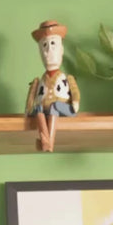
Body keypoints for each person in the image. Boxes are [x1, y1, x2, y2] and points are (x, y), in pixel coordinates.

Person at [24, 20, 80, 154]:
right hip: (44, 110)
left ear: (61, 50)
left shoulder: (68, 78)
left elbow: (75, 91)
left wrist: (75, 102)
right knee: (38, 108)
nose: (49, 50)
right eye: (44, 45)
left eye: (53, 44)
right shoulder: (39, 81)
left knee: (54, 106)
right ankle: (47, 143)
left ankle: (48, 141)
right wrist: (29, 109)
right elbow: (31, 100)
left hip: (64, 108)